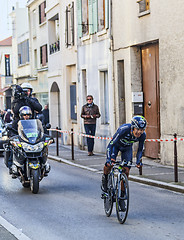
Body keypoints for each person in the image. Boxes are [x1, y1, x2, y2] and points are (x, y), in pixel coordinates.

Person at [101, 115, 147, 210]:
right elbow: (111, 145)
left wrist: (138, 161)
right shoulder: (124, 130)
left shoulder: (142, 135)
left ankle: (121, 197)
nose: (139, 132)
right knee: (109, 164)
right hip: (115, 146)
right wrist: (110, 158)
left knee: (126, 170)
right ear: (133, 127)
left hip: (127, 149)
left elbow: (140, 150)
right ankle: (105, 179)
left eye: (142, 130)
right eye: (138, 129)